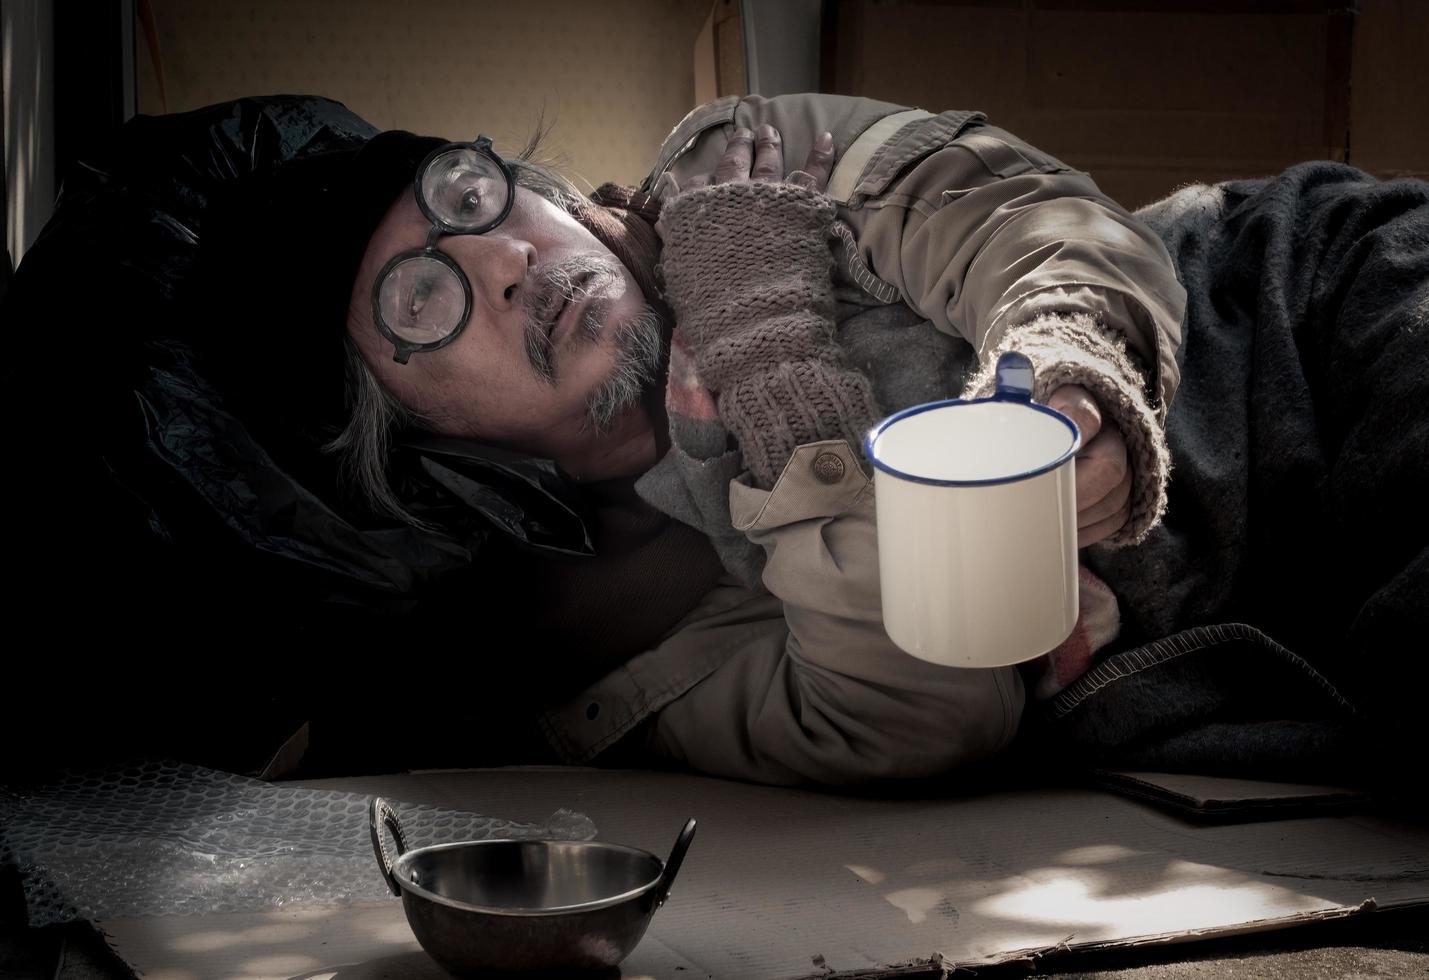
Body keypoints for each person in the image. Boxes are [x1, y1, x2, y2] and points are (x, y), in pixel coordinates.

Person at [282, 92, 1185, 786]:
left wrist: (1073, 359)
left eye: (472, 198)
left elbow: (1018, 217)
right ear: (416, 438)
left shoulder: (732, 171)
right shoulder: (607, 658)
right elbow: (922, 717)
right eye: (422, 298)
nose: (503, 262)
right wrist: (772, 366)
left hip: (1281, 298)